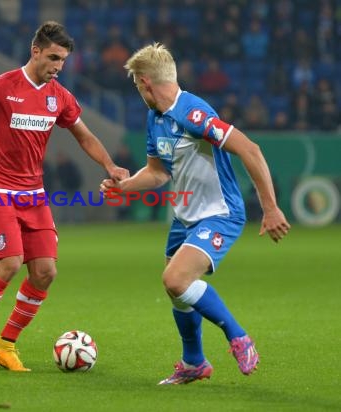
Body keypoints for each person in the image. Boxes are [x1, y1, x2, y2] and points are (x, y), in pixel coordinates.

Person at [0, 21, 129, 373]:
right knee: (10, 263)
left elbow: (84, 135)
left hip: (33, 194)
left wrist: (110, 165)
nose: (58, 67)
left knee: (44, 272)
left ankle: (5, 345)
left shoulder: (58, 96)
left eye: (63, 61)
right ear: (36, 51)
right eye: (54, 58)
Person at [101, 43, 290, 384]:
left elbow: (250, 149)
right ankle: (194, 363)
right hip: (185, 217)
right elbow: (158, 172)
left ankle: (238, 336)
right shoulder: (155, 117)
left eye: (136, 85)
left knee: (175, 280)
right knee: (177, 288)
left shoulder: (194, 113)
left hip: (220, 213)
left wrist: (271, 207)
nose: (137, 91)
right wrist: (123, 187)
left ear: (145, 82)